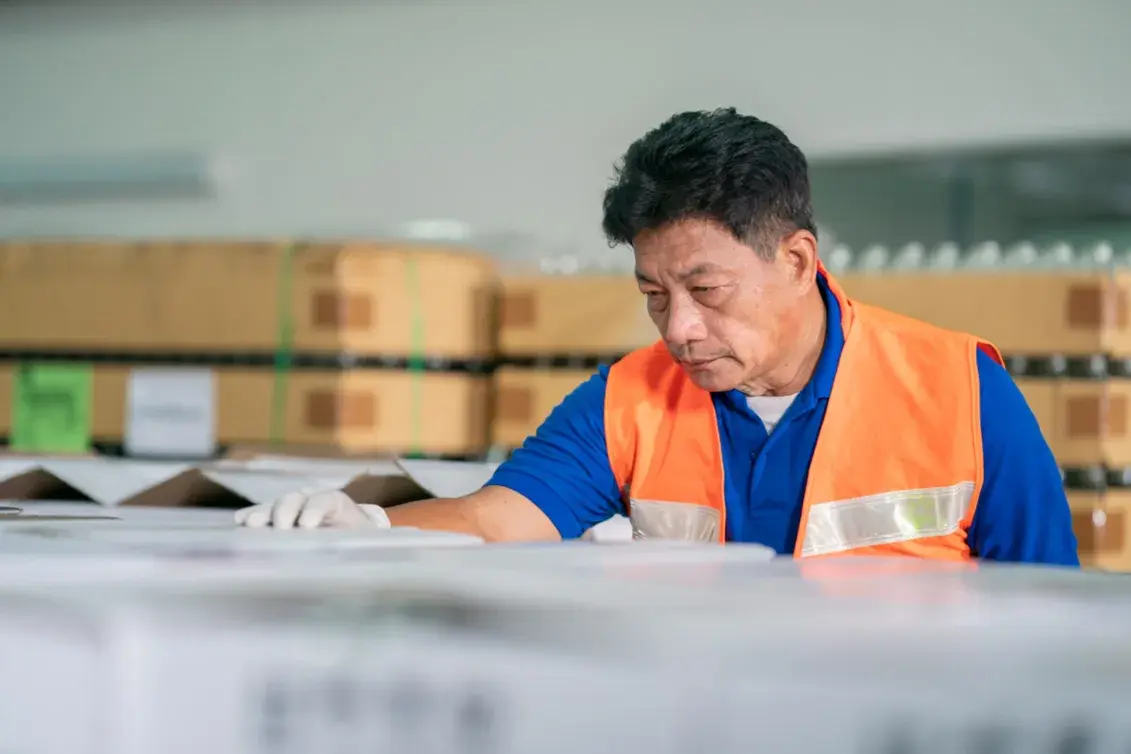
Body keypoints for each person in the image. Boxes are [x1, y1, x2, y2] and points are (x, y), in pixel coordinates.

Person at [237, 108, 1079, 565]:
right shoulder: (628, 398)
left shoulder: (962, 391)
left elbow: (1043, 611)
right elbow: (500, 520)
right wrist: (373, 532)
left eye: (705, 290)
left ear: (795, 259)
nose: (679, 329)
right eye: (652, 294)